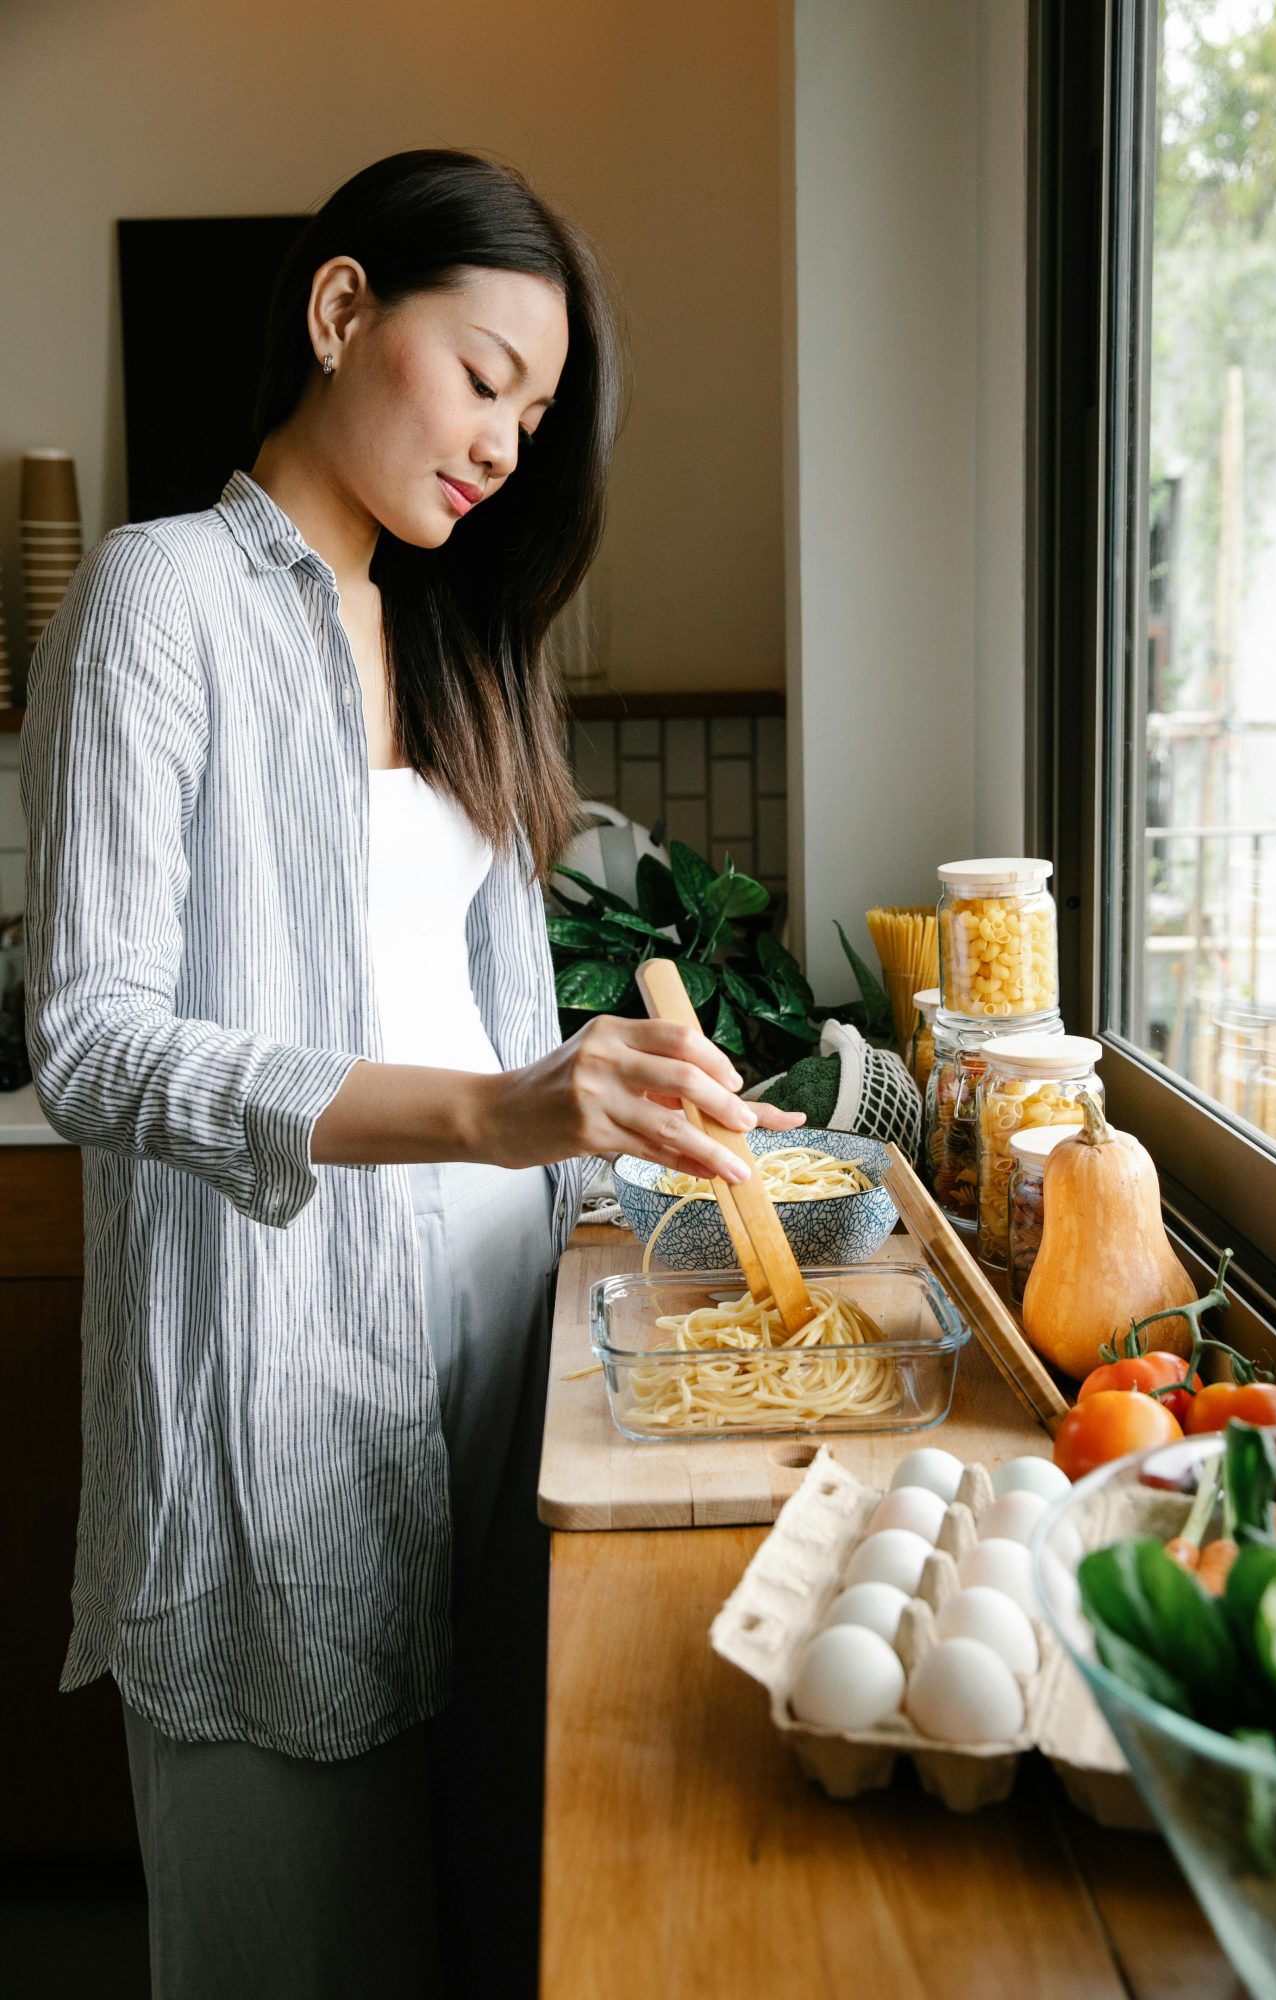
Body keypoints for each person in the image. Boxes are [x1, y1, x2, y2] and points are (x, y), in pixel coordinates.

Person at [21, 147, 802, 2000]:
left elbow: (505, 1037)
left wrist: (654, 1139)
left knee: (483, 1935)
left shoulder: (458, 638)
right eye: (484, 380)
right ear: (343, 310)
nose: (505, 447)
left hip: (490, 1382)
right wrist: (493, 1109)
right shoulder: (162, 600)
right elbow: (91, 1039)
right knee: (294, 1950)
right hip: (271, 1405)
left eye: (535, 417)